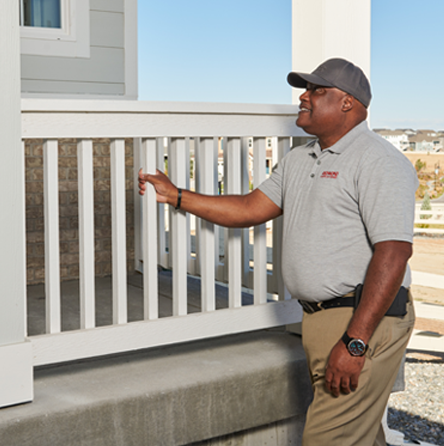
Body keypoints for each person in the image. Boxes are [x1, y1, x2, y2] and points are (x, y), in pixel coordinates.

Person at [138, 58, 418, 446]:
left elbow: (393, 253)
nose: (304, 97)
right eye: (306, 89)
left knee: (328, 438)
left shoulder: (381, 162)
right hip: (321, 321)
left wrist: (355, 341)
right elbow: (250, 208)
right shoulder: (300, 159)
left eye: (318, 91)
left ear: (347, 104)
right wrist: (178, 196)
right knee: (362, 438)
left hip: (361, 321)